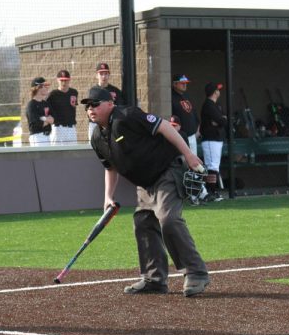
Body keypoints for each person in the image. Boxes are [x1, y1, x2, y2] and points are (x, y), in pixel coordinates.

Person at [82, 86, 210, 297]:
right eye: (87, 106)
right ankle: (154, 279)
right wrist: (108, 197)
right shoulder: (96, 137)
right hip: (144, 182)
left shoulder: (127, 115)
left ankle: (196, 273)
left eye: (95, 104)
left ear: (110, 104)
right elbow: (110, 168)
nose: (90, 109)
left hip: (167, 169)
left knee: (168, 219)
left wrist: (189, 155)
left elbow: (166, 127)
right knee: (143, 222)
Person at [171, 74, 207, 203]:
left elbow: (194, 114)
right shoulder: (171, 98)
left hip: (192, 135)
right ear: (175, 84)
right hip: (181, 138)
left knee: (195, 165)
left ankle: (199, 193)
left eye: (186, 83)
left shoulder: (186, 97)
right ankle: (196, 194)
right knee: (189, 166)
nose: (184, 85)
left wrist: (197, 130)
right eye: (182, 83)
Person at [199, 82, 227, 201]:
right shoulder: (209, 105)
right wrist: (220, 121)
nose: (218, 91)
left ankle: (212, 191)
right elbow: (221, 120)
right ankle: (211, 192)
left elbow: (223, 120)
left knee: (214, 166)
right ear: (214, 92)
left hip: (216, 139)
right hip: (210, 139)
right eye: (217, 90)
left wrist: (220, 121)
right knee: (212, 166)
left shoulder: (215, 105)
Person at [89, 62, 125, 137]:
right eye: (101, 74)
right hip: (95, 124)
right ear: (97, 75)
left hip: (110, 123)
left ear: (109, 75)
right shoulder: (93, 91)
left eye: (106, 74)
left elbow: (120, 107)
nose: (104, 76)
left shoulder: (115, 91)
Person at [47, 69, 78, 144]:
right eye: (62, 80)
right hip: (58, 128)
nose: (64, 83)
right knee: (56, 152)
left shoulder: (74, 92)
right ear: (57, 80)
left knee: (73, 153)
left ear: (69, 80)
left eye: (66, 80)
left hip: (71, 128)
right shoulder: (52, 94)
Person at [26, 77, 53, 146]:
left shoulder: (45, 103)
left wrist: (43, 119)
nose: (47, 88)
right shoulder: (31, 105)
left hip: (48, 136)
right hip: (37, 137)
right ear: (38, 87)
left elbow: (52, 119)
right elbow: (35, 125)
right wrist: (47, 120)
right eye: (45, 86)